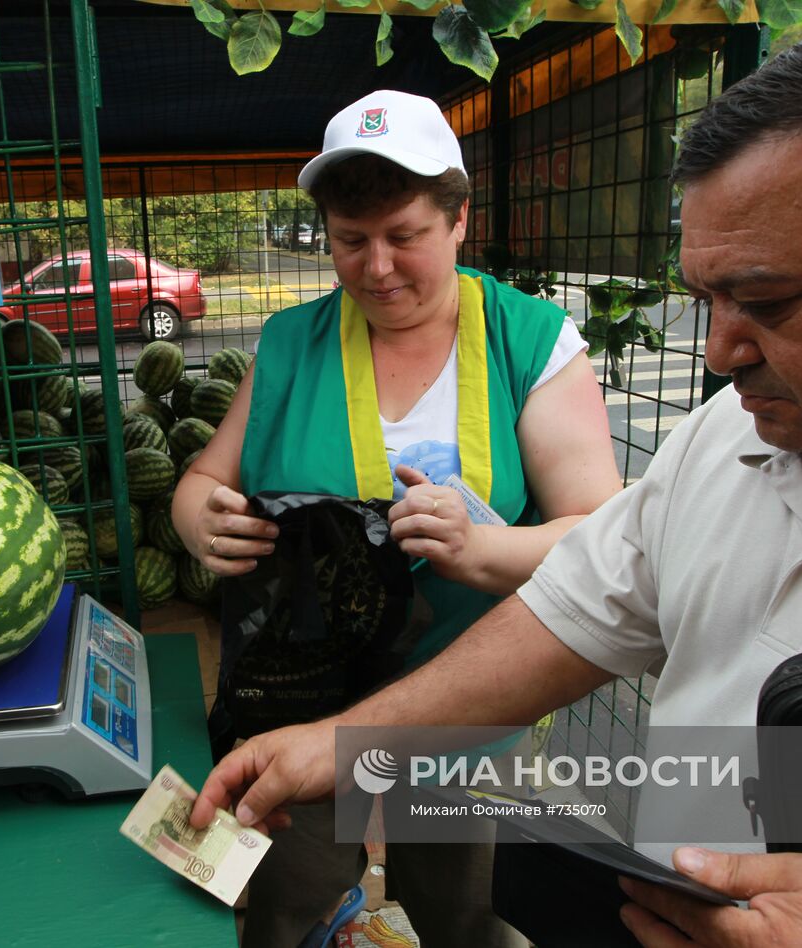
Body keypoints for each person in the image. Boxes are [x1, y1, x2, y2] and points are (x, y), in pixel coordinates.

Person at [189, 5, 802, 945]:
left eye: (767, 298)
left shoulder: (523, 339)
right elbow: (577, 610)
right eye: (705, 298)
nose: (718, 353)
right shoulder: (730, 439)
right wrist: (339, 748)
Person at [171, 90, 622, 946]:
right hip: (300, 701)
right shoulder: (290, 343)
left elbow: (598, 534)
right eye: (350, 241)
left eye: (404, 235)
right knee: (286, 903)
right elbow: (200, 481)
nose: (376, 266)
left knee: (472, 914)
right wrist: (203, 523)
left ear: (458, 220)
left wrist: (480, 549)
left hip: (466, 712)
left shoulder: (532, 341)